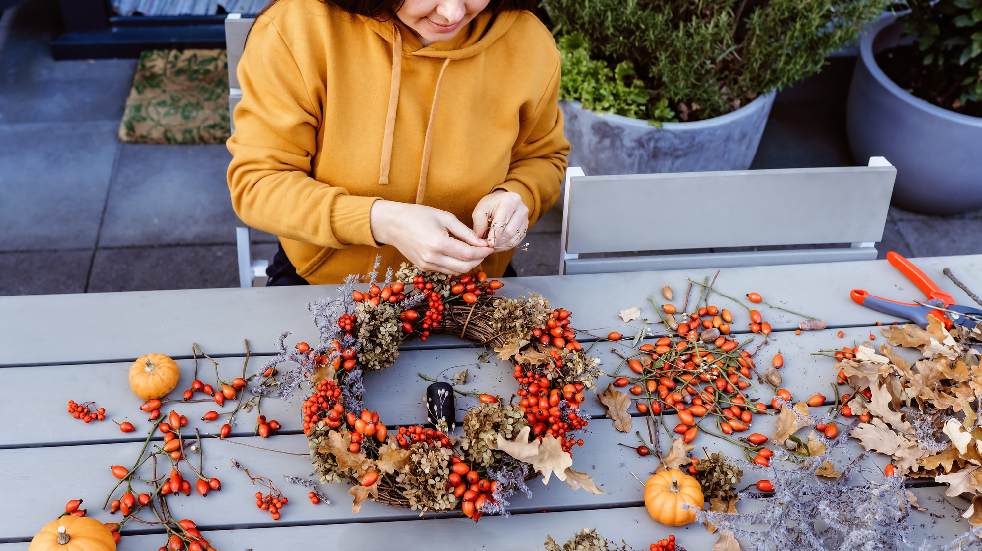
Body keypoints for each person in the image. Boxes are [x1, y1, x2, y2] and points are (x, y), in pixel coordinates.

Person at [227, 0, 569, 285]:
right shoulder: (297, 30)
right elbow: (259, 183)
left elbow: (543, 156)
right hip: (325, 282)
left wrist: (517, 194)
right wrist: (381, 220)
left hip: (472, 283)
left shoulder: (529, 42)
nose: (451, 13)